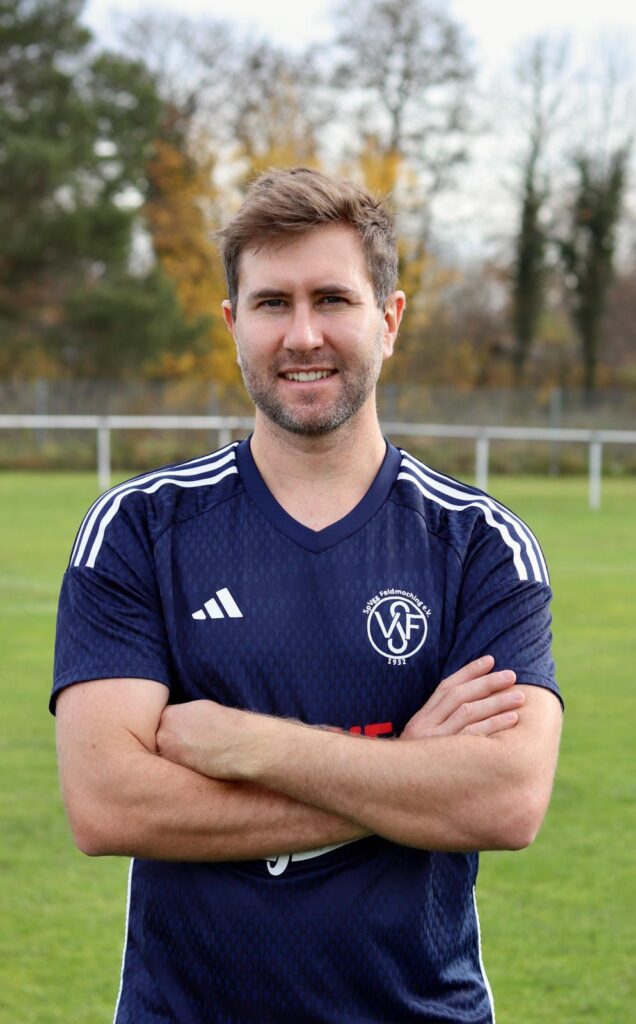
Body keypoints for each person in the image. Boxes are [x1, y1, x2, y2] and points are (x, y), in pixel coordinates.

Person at [53, 167, 563, 1023]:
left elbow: (505, 801)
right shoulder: (137, 529)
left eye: (332, 299)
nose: (302, 335)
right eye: (271, 304)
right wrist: (407, 772)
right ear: (233, 325)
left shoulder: (480, 544)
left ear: (389, 318)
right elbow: (107, 805)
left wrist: (250, 745)